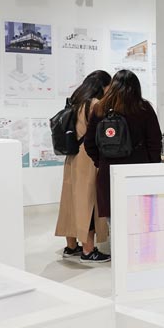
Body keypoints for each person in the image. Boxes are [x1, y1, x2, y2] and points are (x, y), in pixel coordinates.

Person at [85, 70, 162, 232]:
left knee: (115, 220)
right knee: (140, 218)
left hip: (109, 172)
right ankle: (139, 255)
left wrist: (101, 162)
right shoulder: (144, 108)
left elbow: (89, 143)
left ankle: (120, 254)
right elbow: (155, 141)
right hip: (139, 170)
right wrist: (152, 166)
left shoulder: (100, 108)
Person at [54, 70, 112, 264]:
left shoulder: (75, 101)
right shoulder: (94, 104)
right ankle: (88, 250)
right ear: (103, 86)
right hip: (88, 158)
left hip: (72, 157)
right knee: (89, 201)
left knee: (71, 200)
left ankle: (71, 247)